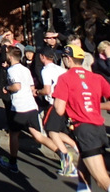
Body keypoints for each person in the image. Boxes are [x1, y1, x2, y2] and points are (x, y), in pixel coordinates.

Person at [54, 44, 110, 192]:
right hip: (99, 129)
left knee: (102, 180)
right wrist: (95, 105)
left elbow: (59, 108)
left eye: (64, 58)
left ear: (68, 59)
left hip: (84, 129)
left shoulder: (65, 78)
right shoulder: (97, 78)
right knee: (83, 175)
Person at [0, 46, 62, 175]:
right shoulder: (26, 69)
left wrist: (7, 88)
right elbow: (32, 87)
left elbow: (17, 86)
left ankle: (13, 163)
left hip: (19, 107)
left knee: (14, 134)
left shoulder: (12, 70)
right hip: (31, 106)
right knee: (38, 135)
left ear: (10, 57)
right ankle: (62, 154)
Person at [37, 46, 79, 177]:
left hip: (54, 103)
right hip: (66, 103)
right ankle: (75, 146)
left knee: (51, 131)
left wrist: (37, 92)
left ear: (43, 57)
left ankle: (67, 160)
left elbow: (47, 90)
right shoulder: (60, 69)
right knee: (58, 131)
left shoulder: (46, 70)